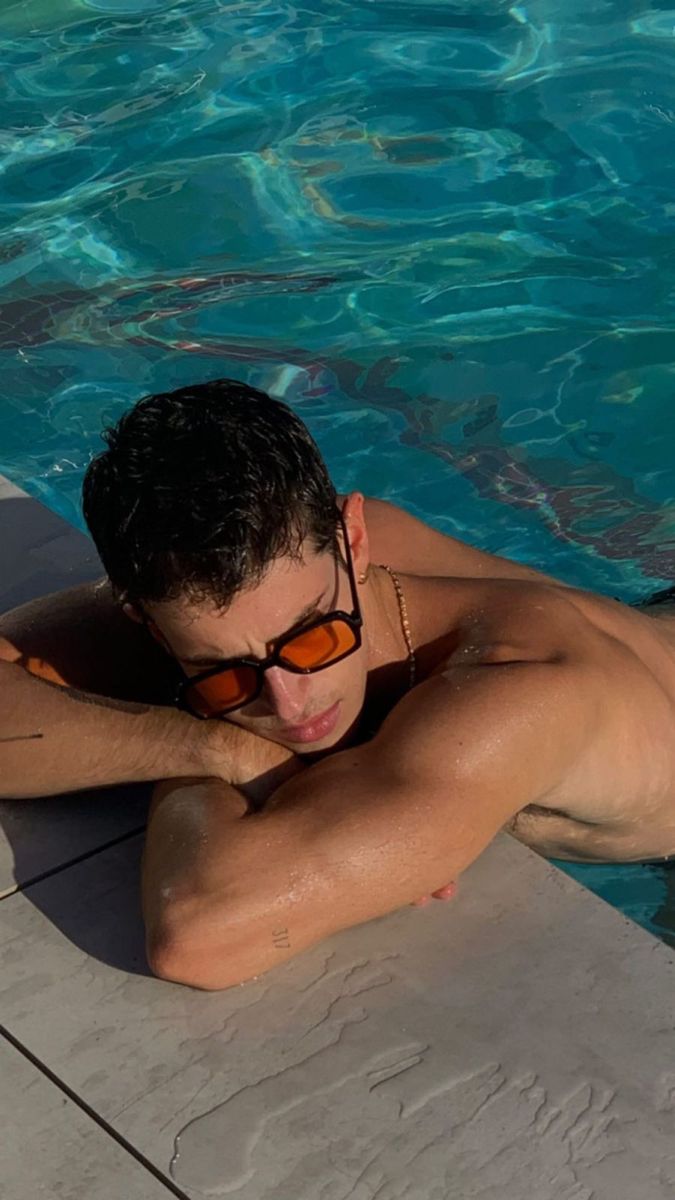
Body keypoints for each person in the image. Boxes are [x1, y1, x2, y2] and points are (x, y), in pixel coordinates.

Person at [1, 379, 674, 992]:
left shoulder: (519, 689)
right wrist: (211, 747)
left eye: (311, 637)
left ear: (353, 539)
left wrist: (206, 707)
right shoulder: (258, 574)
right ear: (146, 623)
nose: (287, 702)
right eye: (223, 669)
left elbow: (201, 934)